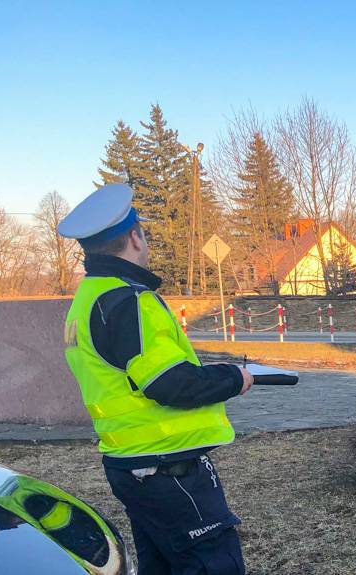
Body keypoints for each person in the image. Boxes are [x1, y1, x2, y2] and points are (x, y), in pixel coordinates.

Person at [58, 183, 253, 574]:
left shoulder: (87, 299)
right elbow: (171, 384)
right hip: (168, 469)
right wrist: (235, 377)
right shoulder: (130, 301)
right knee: (214, 565)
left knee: (162, 565)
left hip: (131, 465)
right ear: (134, 236)